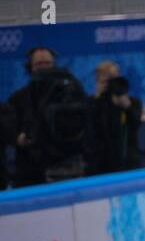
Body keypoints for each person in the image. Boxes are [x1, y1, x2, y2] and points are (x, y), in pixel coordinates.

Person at [6, 47, 88, 185]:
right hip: (31, 171)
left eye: (47, 63)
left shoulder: (72, 92)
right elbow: (7, 126)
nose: (44, 68)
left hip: (67, 167)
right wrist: (16, 137)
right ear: (30, 68)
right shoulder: (19, 98)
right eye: (39, 64)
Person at [88, 61, 142, 176]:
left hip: (127, 163)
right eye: (105, 81)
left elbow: (135, 125)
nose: (110, 84)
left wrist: (127, 107)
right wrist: (98, 98)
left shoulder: (132, 102)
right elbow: (90, 127)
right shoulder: (92, 102)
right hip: (101, 165)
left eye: (112, 79)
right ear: (98, 81)